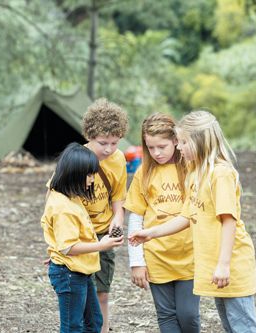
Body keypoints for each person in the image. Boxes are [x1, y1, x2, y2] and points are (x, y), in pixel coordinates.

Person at [129, 110, 256, 333]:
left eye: (182, 142)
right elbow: (187, 216)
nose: (178, 147)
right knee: (231, 325)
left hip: (232, 264)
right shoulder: (196, 173)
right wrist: (152, 233)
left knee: (243, 326)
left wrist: (223, 264)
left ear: (199, 142)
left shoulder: (220, 175)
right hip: (214, 264)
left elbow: (228, 221)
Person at [124, 113, 200, 332]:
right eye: (150, 147)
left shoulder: (192, 169)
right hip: (157, 257)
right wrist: (136, 262)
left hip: (189, 257)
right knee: (166, 316)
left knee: (188, 315)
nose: (156, 153)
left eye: (162, 146)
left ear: (176, 140)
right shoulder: (143, 173)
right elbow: (136, 218)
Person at [42, 142, 124, 333]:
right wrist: (101, 245)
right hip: (70, 274)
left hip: (79, 270)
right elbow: (68, 247)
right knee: (73, 326)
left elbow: (62, 242)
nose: (92, 179)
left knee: (94, 321)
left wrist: (57, 252)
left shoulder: (72, 197)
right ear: (74, 174)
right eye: (89, 174)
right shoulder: (63, 207)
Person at [81, 98, 129, 333]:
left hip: (104, 233)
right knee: (81, 293)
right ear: (90, 136)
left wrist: (117, 219)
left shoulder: (118, 159)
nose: (109, 149)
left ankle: (104, 329)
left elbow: (118, 198)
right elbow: (57, 201)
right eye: (102, 143)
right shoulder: (76, 160)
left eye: (114, 142)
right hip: (80, 234)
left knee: (102, 293)